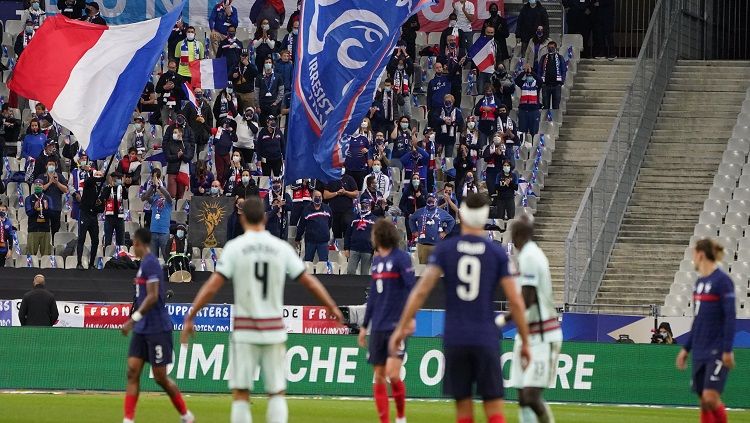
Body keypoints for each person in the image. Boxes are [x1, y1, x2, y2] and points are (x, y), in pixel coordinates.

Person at [180, 197, 342, 423]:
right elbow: (310, 282)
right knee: (276, 392)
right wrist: (331, 306)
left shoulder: (235, 248)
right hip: (273, 329)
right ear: (265, 218)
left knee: (241, 394)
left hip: (245, 329)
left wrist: (192, 315)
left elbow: (212, 287)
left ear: (243, 218)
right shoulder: (280, 248)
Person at [390, 193, 531, 423]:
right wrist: (525, 340)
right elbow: (516, 301)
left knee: (464, 412)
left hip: (456, 338)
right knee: (494, 408)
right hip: (486, 337)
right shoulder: (495, 253)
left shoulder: (446, 250)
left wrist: (401, 327)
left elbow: (421, 291)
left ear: (462, 216)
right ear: (484, 218)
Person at [121, 229, 194, 423]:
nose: (132, 248)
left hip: (157, 328)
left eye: (133, 244)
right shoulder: (143, 265)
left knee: (161, 377)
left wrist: (132, 318)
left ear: (137, 243)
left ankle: (186, 415)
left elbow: (153, 297)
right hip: (142, 329)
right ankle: (128, 419)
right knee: (132, 372)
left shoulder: (151, 263)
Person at [358, 219, 415, 423]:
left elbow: (411, 290)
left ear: (379, 235)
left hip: (397, 325)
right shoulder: (377, 262)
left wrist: (411, 319)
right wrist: (365, 326)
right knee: (379, 376)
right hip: (379, 326)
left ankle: (400, 417)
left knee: (393, 374)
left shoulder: (402, 259)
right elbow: (373, 296)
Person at [507, 214, 561, 423]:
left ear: (519, 235)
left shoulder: (530, 256)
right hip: (528, 333)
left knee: (530, 395)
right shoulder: (529, 255)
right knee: (522, 396)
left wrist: (503, 320)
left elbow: (527, 300)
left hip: (542, 336)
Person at [676, 239, 736, 423]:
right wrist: (686, 349)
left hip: (716, 349)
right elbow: (698, 319)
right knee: (704, 401)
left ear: (700, 254)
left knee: (711, 397)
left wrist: (727, 349)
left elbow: (730, 316)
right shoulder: (699, 284)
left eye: (694, 254)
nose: (693, 259)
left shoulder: (723, 281)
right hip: (700, 350)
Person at [409, 193, 456, 264]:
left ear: (436, 200)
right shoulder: (420, 211)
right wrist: (414, 230)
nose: (431, 200)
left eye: (433, 198)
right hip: (422, 245)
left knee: (435, 268)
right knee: (423, 269)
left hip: (436, 245)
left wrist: (445, 232)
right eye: (429, 198)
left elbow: (452, 221)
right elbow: (411, 219)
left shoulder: (441, 212)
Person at [141, 174, 173, 260]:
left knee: (166, 257)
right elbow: (145, 197)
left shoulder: (169, 201)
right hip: (153, 231)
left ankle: (167, 273)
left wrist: (160, 187)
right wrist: (152, 186)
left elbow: (167, 195)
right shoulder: (154, 199)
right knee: (153, 259)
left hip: (164, 232)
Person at [76, 170, 104, 269]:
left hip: (93, 216)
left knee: (95, 240)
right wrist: (94, 174)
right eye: (97, 175)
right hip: (84, 214)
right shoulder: (89, 185)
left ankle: (91, 264)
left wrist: (98, 204)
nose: (98, 177)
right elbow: (89, 181)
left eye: (100, 175)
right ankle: (79, 263)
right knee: (81, 238)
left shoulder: (101, 189)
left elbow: (102, 208)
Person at [295, 191, 332, 263]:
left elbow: (330, 223)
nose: (318, 198)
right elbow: (301, 225)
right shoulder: (306, 210)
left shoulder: (327, 209)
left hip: (323, 241)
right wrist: (298, 238)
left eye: (320, 197)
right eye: (316, 197)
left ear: (322, 198)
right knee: (308, 262)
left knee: (323, 264)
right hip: (310, 241)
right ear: (312, 198)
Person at [344, 199, 376, 275]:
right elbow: (348, 234)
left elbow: (378, 236)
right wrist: (346, 248)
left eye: (366, 204)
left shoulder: (375, 219)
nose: (364, 206)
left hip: (368, 250)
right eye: (363, 204)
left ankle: (363, 287)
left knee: (364, 273)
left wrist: (376, 249)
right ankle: (350, 286)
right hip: (354, 249)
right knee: (350, 271)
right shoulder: (354, 218)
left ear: (370, 206)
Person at [322, 174, 359, 240]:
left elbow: (356, 194)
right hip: (334, 210)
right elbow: (325, 195)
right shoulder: (330, 178)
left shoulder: (349, 178)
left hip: (347, 210)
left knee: (347, 225)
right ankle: (337, 247)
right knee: (336, 231)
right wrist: (337, 193)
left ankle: (346, 247)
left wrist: (346, 192)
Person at [164, 126, 194, 200]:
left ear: (180, 134)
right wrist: (177, 156)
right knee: (172, 195)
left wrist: (182, 155)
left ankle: (179, 210)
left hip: (182, 172)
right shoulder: (169, 144)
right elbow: (168, 157)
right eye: (173, 132)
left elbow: (189, 157)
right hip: (172, 171)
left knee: (180, 196)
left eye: (175, 132)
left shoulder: (186, 145)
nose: (173, 134)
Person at [437, 35, 467, 110]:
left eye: (454, 40)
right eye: (450, 40)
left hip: (456, 79)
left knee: (456, 99)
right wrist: (447, 57)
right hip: (446, 78)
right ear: (447, 42)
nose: (453, 42)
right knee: (446, 99)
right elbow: (439, 63)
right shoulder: (442, 53)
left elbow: (465, 63)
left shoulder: (460, 52)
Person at [40, 159, 67, 238]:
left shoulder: (60, 176)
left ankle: (54, 245)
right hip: (44, 208)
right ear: (46, 166)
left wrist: (57, 183)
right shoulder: (41, 176)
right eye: (49, 164)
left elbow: (65, 189)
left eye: (53, 165)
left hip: (56, 207)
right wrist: (50, 182)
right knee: (44, 229)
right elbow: (39, 189)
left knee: (55, 230)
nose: (51, 166)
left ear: (56, 167)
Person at [515, 64, 543, 142]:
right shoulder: (523, 83)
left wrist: (532, 72)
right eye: (528, 75)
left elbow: (540, 80)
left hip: (534, 110)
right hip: (523, 110)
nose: (529, 76)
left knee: (534, 131)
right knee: (522, 131)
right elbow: (516, 80)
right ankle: (522, 148)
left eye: (530, 75)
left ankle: (533, 147)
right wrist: (524, 72)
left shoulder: (537, 84)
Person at [181, 86, 213, 155]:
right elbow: (183, 117)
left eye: (199, 92)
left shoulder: (206, 106)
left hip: (203, 134)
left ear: (202, 93)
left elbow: (210, 119)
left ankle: (199, 165)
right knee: (191, 153)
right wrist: (187, 129)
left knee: (201, 153)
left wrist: (209, 131)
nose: (198, 94)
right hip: (192, 133)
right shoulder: (189, 105)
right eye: (196, 92)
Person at [25, 178, 52, 256]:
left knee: (46, 256)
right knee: (31, 255)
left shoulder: (48, 198)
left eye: (39, 185)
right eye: (36, 185)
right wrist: (34, 208)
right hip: (33, 230)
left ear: (43, 186)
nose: (38, 186)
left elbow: (52, 215)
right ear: (33, 186)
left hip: (45, 230)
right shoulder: (29, 198)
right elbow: (29, 213)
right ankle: (30, 268)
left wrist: (46, 209)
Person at [432, 94, 463, 158]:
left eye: (449, 101)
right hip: (440, 136)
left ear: (452, 102)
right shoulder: (440, 109)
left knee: (448, 157)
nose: (447, 103)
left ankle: (448, 167)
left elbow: (460, 121)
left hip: (450, 138)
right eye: (446, 101)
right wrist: (444, 121)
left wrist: (452, 123)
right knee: (438, 156)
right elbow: (435, 118)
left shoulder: (456, 111)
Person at [255, 58, 284, 126]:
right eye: (266, 62)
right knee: (263, 126)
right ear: (264, 65)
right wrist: (257, 106)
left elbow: (281, 91)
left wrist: (276, 102)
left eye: (269, 62)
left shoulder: (278, 76)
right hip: (262, 105)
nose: (268, 64)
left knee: (273, 125)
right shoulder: (259, 77)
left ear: (272, 64)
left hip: (273, 105)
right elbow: (256, 92)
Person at [101, 171, 127, 248]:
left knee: (121, 242)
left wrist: (123, 185)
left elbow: (125, 196)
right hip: (109, 218)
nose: (118, 180)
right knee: (108, 241)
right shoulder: (107, 188)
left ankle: (121, 257)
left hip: (119, 217)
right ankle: (107, 256)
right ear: (111, 179)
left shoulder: (121, 188)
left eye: (119, 178)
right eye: (116, 179)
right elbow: (103, 197)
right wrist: (110, 187)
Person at [398, 174, 427, 243]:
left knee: (421, 236)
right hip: (410, 216)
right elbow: (401, 205)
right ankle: (410, 245)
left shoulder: (424, 191)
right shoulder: (407, 191)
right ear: (411, 180)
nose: (416, 180)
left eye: (417, 178)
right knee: (410, 235)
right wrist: (408, 214)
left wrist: (420, 197)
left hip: (421, 217)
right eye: (414, 178)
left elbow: (427, 205)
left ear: (419, 181)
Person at [539, 40, 567, 110]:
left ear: (555, 48)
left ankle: (555, 120)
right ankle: (545, 120)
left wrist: (561, 82)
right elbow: (539, 70)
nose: (550, 49)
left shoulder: (560, 58)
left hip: (556, 85)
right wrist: (541, 82)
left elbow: (563, 70)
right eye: (549, 47)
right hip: (546, 85)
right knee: (545, 106)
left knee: (556, 106)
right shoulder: (543, 58)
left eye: (552, 47)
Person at [215, 118, 238, 185]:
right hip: (218, 153)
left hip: (226, 153)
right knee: (220, 172)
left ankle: (225, 185)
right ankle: (219, 185)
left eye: (228, 124)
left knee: (226, 171)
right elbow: (214, 140)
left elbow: (235, 139)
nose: (226, 125)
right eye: (225, 124)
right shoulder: (218, 130)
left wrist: (232, 131)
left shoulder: (230, 132)